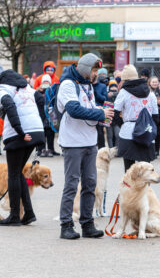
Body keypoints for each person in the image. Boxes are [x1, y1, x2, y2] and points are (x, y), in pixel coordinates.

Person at [57, 53, 113, 239]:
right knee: (72, 184)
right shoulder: (68, 85)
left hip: (90, 141)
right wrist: (100, 114)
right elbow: (74, 110)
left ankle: (87, 223)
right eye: (94, 70)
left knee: (90, 184)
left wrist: (102, 113)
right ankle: (66, 225)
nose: (97, 73)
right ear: (86, 69)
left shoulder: (88, 84)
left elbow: (87, 106)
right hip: (73, 142)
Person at [0, 69, 45, 226]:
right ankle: (28, 213)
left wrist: (19, 130)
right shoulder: (27, 87)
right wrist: (39, 123)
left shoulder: (1, 87)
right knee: (19, 173)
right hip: (35, 130)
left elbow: (8, 104)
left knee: (13, 174)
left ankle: (14, 215)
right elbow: (40, 100)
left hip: (19, 133)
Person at [115, 65, 159, 172]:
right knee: (145, 170)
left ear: (125, 79)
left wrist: (124, 124)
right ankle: (145, 189)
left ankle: (130, 189)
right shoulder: (150, 93)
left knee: (129, 170)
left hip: (128, 132)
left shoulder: (123, 92)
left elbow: (115, 113)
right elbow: (156, 116)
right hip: (146, 131)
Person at [35, 75, 55, 157]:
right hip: (40, 115)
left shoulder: (52, 91)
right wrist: (40, 91)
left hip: (50, 115)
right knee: (42, 133)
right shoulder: (37, 92)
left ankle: (51, 149)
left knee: (50, 133)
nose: (46, 84)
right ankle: (41, 149)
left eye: (47, 82)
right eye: (44, 82)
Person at [149, 76, 160, 157]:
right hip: (150, 116)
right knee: (150, 134)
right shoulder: (147, 92)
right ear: (149, 83)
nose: (155, 83)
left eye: (156, 82)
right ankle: (151, 151)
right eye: (153, 82)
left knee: (158, 134)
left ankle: (157, 151)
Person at [93, 69, 108, 150]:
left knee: (100, 131)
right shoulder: (89, 85)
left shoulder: (102, 86)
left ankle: (101, 149)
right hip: (90, 111)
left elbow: (105, 99)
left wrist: (96, 94)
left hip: (100, 111)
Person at [106, 81, 120, 148]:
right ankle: (111, 150)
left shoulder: (119, 96)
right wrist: (108, 96)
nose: (113, 92)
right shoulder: (106, 96)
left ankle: (117, 150)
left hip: (117, 118)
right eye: (112, 90)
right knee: (109, 136)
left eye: (115, 90)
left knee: (117, 135)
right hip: (108, 117)